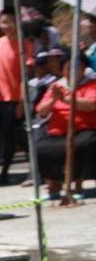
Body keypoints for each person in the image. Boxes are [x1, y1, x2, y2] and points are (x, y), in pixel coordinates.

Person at [0, 6, 34, 186]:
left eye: (9, 22)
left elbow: (26, 75)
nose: (6, 26)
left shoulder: (25, 44)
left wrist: (22, 102)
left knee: (8, 137)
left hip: (12, 98)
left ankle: (4, 172)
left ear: (17, 23)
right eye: (3, 22)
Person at [34, 53, 96, 199]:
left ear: (84, 69)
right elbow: (41, 110)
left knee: (82, 145)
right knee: (42, 148)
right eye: (68, 68)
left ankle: (78, 185)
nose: (72, 71)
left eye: (77, 67)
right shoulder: (56, 87)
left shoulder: (92, 84)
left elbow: (92, 105)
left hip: (85, 129)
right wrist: (53, 100)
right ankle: (53, 186)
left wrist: (67, 99)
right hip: (59, 130)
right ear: (63, 71)